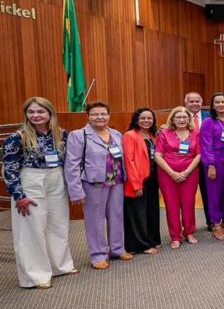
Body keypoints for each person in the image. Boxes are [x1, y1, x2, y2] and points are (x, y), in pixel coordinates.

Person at [3, 97, 77, 289]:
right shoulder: (17, 137)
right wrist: (18, 195)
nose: (36, 115)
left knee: (58, 224)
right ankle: (35, 276)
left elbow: (70, 161)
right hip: (31, 180)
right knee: (32, 229)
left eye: (40, 111)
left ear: (50, 113)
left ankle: (61, 265)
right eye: (31, 112)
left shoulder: (61, 134)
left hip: (56, 178)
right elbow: (9, 169)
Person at [65, 101, 132, 269]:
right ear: (88, 116)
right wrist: (76, 191)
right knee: (95, 220)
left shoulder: (116, 134)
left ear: (109, 116)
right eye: (95, 114)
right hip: (93, 183)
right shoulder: (79, 135)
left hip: (116, 181)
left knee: (117, 216)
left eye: (103, 114)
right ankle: (98, 255)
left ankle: (117, 249)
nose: (99, 117)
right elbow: (72, 165)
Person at [154, 106, 202, 249]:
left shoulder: (195, 133)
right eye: (178, 117)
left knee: (188, 203)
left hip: (190, 173)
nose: (181, 120)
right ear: (173, 119)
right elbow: (158, 156)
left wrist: (186, 172)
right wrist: (172, 173)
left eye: (184, 117)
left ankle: (189, 232)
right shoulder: (164, 133)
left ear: (189, 119)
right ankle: (175, 236)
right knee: (171, 205)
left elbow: (199, 155)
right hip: (167, 174)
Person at [122, 108, 160, 255]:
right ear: (136, 119)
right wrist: (136, 184)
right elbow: (129, 160)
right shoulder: (130, 135)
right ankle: (139, 245)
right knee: (137, 213)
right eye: (143, 118)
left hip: (152, 179)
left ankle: (151, 240)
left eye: (149, 118)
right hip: (138, 179)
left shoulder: (152, 135)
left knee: (151, 211)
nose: (146, 121)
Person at [201, 92, 224, 240]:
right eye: (217, 102)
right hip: (215, 161)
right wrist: (210, 164)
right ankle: (216, 224)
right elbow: (206, 145)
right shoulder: (208, 122)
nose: (221, 105)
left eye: (223, 102)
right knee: (214, 193)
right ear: (213, 105)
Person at [184, 91, 212, 230]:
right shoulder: (180, 116)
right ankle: (188, 226)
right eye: (191, 101)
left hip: (207, 161)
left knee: (209, 193)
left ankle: (211, 222)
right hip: (187, 162)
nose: (195, 104)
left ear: (201, 103)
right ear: (186, 103)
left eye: (197, 101)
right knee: (187, 196)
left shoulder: (210, 116)